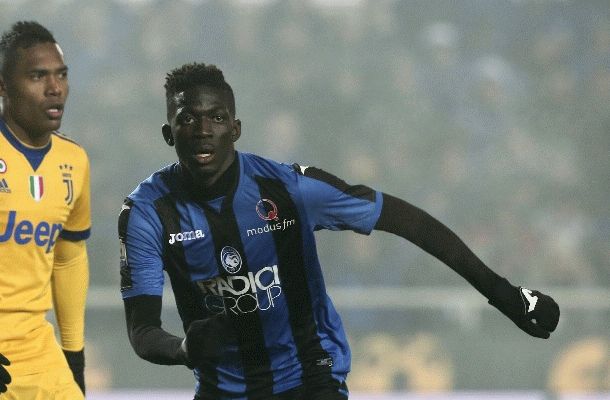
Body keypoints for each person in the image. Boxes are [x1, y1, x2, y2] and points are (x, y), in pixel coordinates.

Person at [118, 63, 560, 400]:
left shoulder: (287, 188)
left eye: (216, 118)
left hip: (311, 378)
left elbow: (409, 222)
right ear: (168, 133)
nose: (203, 131)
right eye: (188, 119)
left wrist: (503, 294)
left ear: (235, 129)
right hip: (222, 390)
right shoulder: (146, 212)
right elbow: (142, 332)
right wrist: (183, 349)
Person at [0, 21, 90, 398]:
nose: (55, 88)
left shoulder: (74, 160)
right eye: (38, 76)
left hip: (39, 353)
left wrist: (74, 354)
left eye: (61, 75)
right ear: (3, 87)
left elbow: (69, 256)